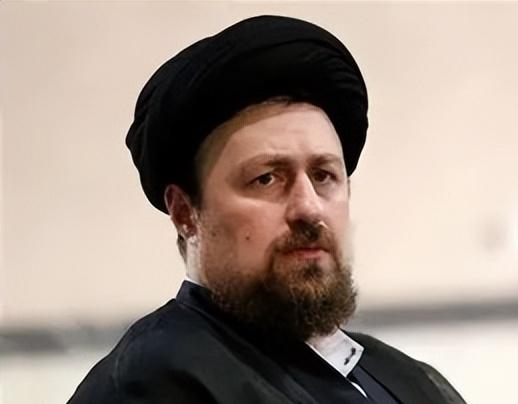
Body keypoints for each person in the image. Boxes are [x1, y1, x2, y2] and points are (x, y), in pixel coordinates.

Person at [68, 15, 466, 404]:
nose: (308, 208)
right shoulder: (154, 383)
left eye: (324, 175)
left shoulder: (408, 379)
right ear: (186, 213)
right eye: (266, 179)